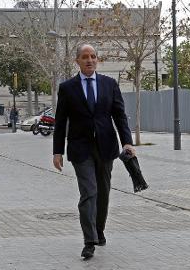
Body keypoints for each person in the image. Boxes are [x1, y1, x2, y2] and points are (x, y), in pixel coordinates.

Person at [53, 43, 135, 259]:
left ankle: (99, 230)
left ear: (97, 60)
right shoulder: (67, 88)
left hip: (106, 147)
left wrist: (127, 142)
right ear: (77, 61)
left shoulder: (109, 84)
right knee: (89, 192)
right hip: (80, 149)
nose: (90, 60)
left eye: (93, 56)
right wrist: (57, 151)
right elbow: (61, 122)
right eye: (85, 57)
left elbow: (119, 115)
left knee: (103, 193)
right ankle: (89, 240)